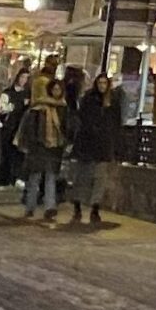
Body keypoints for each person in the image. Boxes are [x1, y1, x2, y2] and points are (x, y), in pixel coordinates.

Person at [67, 71, 121, 228]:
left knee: (99, 179)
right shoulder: (89, 99)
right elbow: (83, 120)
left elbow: (116, 124)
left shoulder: (112, 101)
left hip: (103, 148)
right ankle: (77, 206)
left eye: (105, 83)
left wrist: (115, 145)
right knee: (83, 178)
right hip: (87, 146)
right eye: (100, 83)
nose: (102, 86)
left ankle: (95, 208)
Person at [15, 69, 70, 222]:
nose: (56, 91)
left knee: (51, 178)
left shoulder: (63, 108)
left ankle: (49, 208)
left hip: (55, 147)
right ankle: (30, 207)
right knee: (34, 178)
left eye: (59, 89)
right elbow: (30, 127)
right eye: (54, 88)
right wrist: (31, 143)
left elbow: (67, 127)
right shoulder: (38, 108)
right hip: (39, 146)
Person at [0, 61, 33, 187]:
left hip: (21, 126)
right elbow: (2, 108)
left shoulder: (27, 94)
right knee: (7, 153)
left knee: (18, 153)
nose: (24, 80)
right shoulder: (8, 93)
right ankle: (3, 178)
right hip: (10, 125)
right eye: (22, 77)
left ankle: (14, 177)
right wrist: (15, 106)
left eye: (27, 78)